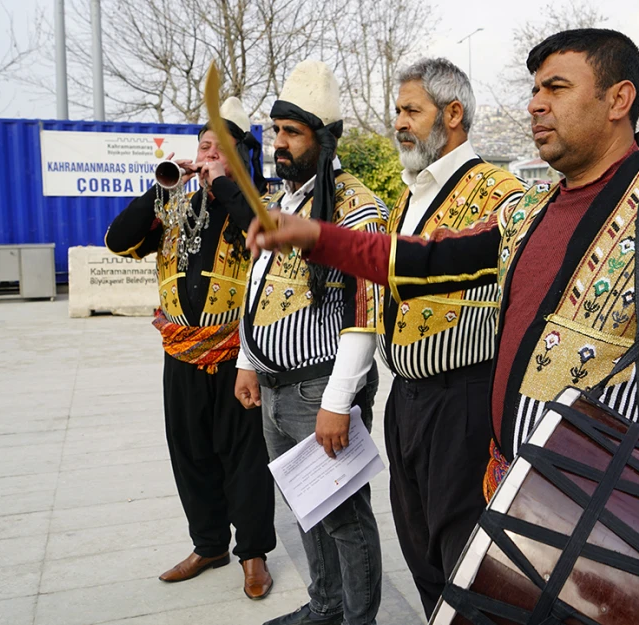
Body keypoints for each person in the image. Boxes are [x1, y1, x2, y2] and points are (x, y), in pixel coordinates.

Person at [248, 29, 639, 622]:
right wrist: (319, 237)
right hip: (518, 494)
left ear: (619, 100)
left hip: (623, 508)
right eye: (534, 89)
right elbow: (421, 259)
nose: (535, 103)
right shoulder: (526, 211)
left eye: (556, 88)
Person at [105, 97, 275, 599]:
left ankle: (253, 554)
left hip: (237, 355)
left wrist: (224, 180)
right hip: (180, 351)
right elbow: (118, 240)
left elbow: (259, 231)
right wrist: (159, 185)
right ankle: (209, 545)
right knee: (190, 453)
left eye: (218, 149)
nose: (206, 155)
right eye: (202, 146)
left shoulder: (259, 199)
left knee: (245, 457)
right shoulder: (174, 201)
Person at [237, 60, 386, 625]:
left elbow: (364, 314)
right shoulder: (292, 201)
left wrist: (337, 400)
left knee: (345, 517)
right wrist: (247, 362)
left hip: (319, 388)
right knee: (308, 506)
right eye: (275, 131)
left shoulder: (357, 205)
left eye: (292, 133)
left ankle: (357, 619)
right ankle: (325, 607)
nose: (278, 143)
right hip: (276, 389)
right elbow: (261, 286)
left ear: (322, 140)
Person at [378, 57, 526, 617]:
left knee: (465, 546)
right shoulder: (408, 196)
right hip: (406, 398)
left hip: (464, 397)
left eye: (411, 110)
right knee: (417, 541)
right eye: (398, 110)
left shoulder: (500, 192)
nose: (399, 122)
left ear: (453, 114)